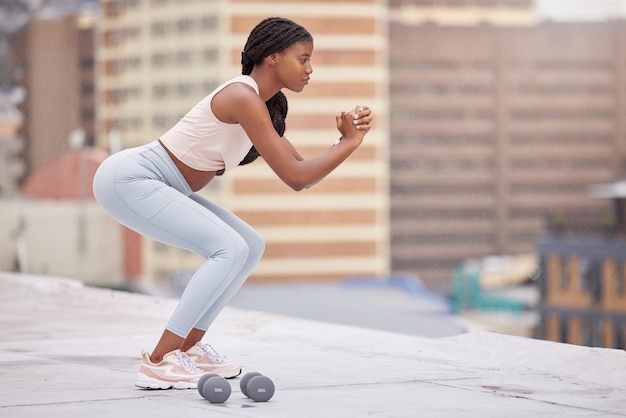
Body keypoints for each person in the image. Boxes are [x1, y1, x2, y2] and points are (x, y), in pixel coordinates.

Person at [92, 16, 373, 390]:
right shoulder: (242, 96)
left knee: (249, 245)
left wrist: (343, 141)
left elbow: (300, 170)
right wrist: (349, 143)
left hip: (164, 185)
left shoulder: (261, 106)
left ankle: (188, 348)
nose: (310, 69)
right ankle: (160, 360)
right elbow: (297, 177)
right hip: (131, 179)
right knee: (226, 247)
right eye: (303, 59)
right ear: (272, 58)